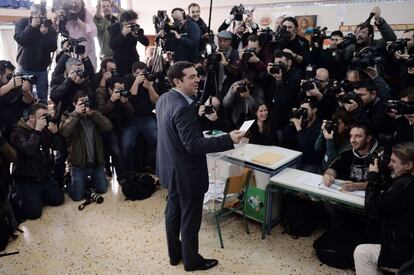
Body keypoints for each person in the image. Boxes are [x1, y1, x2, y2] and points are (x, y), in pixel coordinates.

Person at [156, 61, 244, 271]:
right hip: (187, 173)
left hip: (170, 168)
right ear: (177, 81)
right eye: (192, 77)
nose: (198, 80)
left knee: (173, 213)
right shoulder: (182, 108)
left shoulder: (164, 99)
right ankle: (191, 261)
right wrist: (228, 139)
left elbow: (176, 130)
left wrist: (198, 116)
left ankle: (174, 255)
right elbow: (194, 145)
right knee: (190, 220)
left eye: (197, 75)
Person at [354, 142, 414, 274]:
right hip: (405, 243)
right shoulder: (407, 182)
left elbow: (372, 208)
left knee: (362, 253)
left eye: (393, 161)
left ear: (409, 165)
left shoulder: (403, 187)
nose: (389, 165)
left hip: (402, 251)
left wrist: (372, 178)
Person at [10, 103, 64, 219]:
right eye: (43, 116)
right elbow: (28, 150)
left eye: (47, 115)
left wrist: (55, 133)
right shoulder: (17, 131)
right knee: (34, 214)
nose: (46, 119)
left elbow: (57, 147)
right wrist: (37, 130)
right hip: (25, 180)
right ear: (31, 118)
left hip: (43, 176)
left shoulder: (44, 129)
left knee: (58, 200)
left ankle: (36, 196)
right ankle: (16, 194)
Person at [59, 90, 113, 201]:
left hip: (96, 163)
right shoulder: (67, 116)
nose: (84, 106)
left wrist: (93, 114)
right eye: (81, 103)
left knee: (102, 189)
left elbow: (108, 127)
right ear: (74, 104)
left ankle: (88, 182)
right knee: (77, 197)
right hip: (78, 165)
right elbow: (65, 132)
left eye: (86, 102)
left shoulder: (94, 114)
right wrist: (76, 114)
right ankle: (70, 181)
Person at [14, 4, 58, 104]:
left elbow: (53, 47)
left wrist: (45, 34)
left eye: (44, 16)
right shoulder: (22, 23)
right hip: (25, 66)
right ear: (32, 14)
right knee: (25, 96)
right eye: (39, 16)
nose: (42, 19)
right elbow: (21, 40)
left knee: (42, 97)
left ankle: (42, 116)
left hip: (42, 68)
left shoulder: (48, 26)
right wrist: (32, 27)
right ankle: (26, 117)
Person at [108, 10, 149, 77]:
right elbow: (112, 45)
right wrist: (122, 34)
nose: (131, 25)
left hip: (133, 60)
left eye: (133, 23)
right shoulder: (114, 28)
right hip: (119, 62)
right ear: (122, 21)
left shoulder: (135, 27)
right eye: (128, 23)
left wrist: (138, 36)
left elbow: (146, 43)